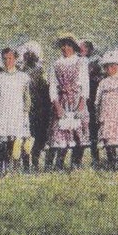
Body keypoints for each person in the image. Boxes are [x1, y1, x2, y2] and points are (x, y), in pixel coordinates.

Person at [47, 36, 91, 169]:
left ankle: (75, 164)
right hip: (62, 101)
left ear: (73, 46)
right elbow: (52, 87)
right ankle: (59, 164)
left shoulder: (81, 62)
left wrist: (82, 104)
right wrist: (57, 106)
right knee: (61, 133)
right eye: (63, 45)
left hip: (77, 100)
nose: (65, 48)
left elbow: (85, 84)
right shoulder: (56, 64)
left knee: (79, 134)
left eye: (68, 45)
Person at [0, 47, 31, 176]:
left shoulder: (23, 77)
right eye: (5, 59)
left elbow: (27, 98)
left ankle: (16, 169)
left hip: (18, 112)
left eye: (10, 58)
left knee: (17, 142)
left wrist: (25, 113)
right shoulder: (0, 78)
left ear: (15, 59)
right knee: (5, 143)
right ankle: (4, 169)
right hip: (4, 112)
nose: (8, 61)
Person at [94, 51, 118, 168]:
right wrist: (98, 115)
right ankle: (111, 161)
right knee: (108, 139)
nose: (110, 69)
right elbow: (98, 101)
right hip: (107, 115)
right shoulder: (103, 83)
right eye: (108, 66)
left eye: (113, 66)